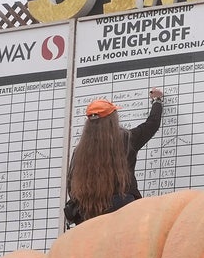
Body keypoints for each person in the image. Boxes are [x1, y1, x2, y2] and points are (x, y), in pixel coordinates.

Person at [65, 87, 165, 226]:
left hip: (89, 216)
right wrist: (157, 101)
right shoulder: (127, 139)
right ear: (112, 120)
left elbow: (71, 186)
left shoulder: (79, 152)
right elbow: (152, 124)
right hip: (124, 213)